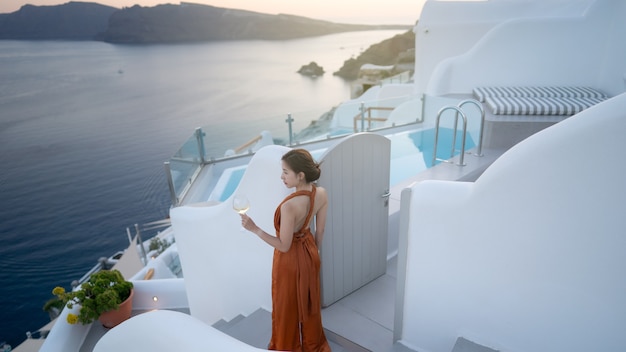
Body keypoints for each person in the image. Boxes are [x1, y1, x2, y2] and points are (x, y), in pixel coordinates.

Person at [240, 148, 331, 352]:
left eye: (285, 172)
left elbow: (284, 245)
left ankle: (287, 347)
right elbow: (321, 229)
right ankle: (312, 345)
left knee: (286, 307)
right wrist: (313, 253)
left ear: (300, 175)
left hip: (289, 261)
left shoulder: (289, 207)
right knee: (309, 305)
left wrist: (254, 229)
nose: (281, 177)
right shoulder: (322, 194)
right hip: (310, 251)